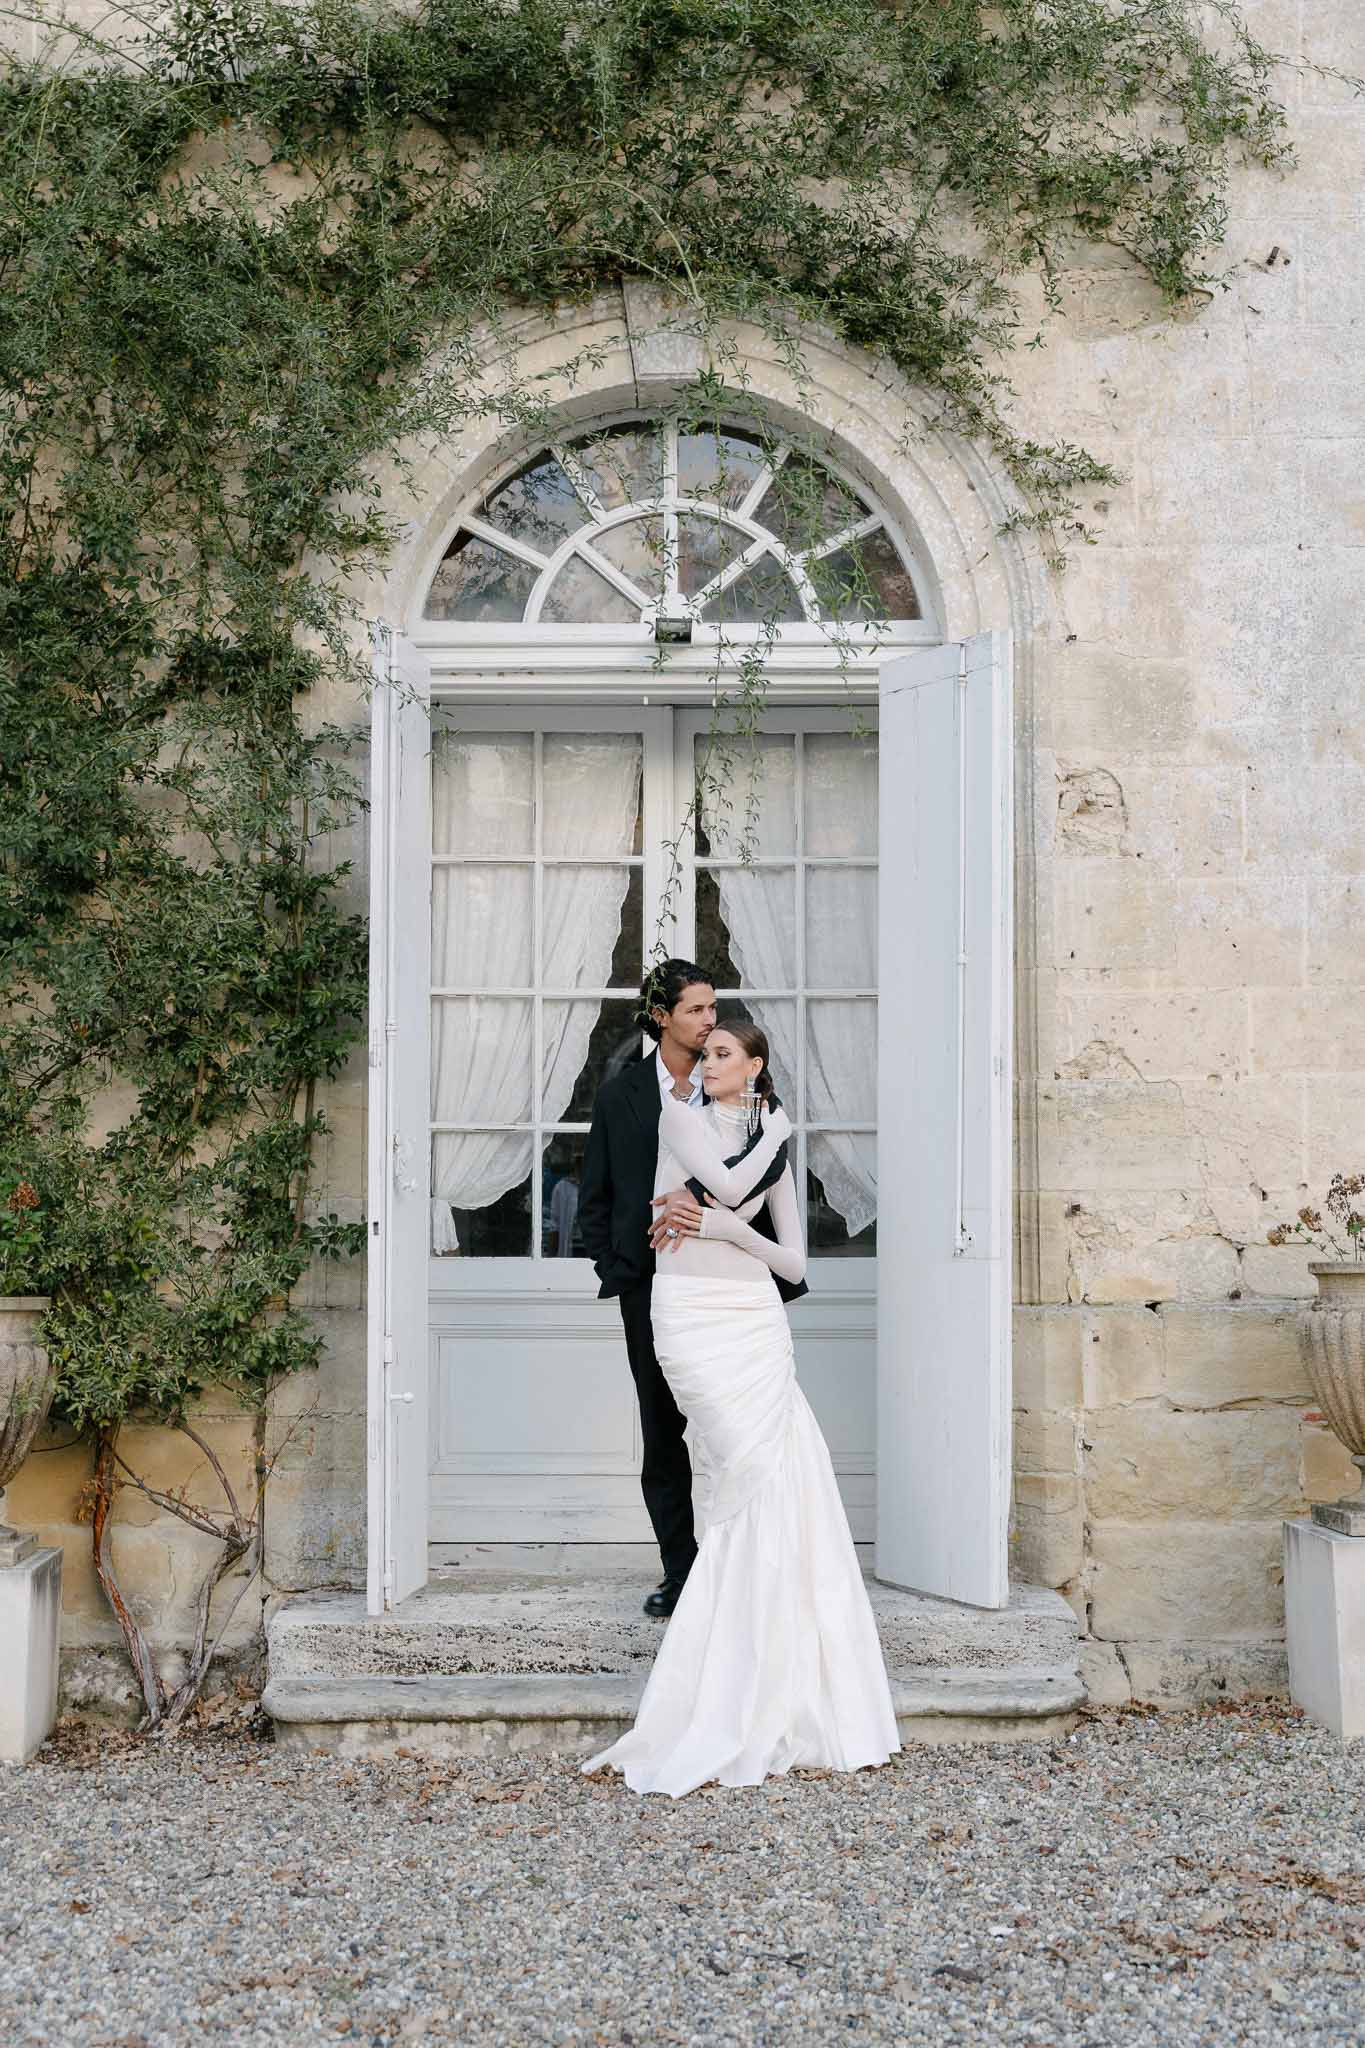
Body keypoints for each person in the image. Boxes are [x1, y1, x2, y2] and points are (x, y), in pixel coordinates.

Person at [583, 1019, 901, 1796]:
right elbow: (725, 1185)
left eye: (722, 1053)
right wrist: (775, 1136)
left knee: (779, 1470)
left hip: (754, 1319)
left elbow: (791, 1259)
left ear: (752, 1066)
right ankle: (721, 1662)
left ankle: (780, 1660)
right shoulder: (680, 1118)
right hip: (690, 1318)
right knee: (734, 1468)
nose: (704, 1060)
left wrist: (737, 1232)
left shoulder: (771, 1152)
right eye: (704, 1051)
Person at [578, 960, 787, 1618]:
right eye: (696, 1010)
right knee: (663, 1432)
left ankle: (747, 1567)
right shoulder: (621, 1095)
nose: (709, 1021)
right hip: (651, 1289)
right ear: (662, 1016)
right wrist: (618, 1270)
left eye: (712, 1009)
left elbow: (769, 1172)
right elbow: (597, 1195)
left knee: (734, 1425)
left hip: (730, 1287)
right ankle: (681, 1571)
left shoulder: (732, 1083)